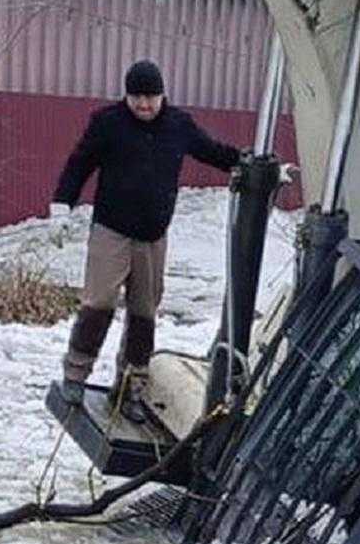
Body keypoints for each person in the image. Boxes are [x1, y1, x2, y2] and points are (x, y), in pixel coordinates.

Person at [52, 60, 241, 423]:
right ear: (126, 96)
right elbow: (80, 162)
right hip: (112, 230)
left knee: (144, 314)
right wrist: (62, 202)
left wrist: (251, 165)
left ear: (162, 95)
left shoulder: (178, 125)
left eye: (150, 98)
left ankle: (130, 389)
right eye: (136, 98)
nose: (143, 106)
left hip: (153, 236)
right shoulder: (108, 123)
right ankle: (75, 375)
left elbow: (213, 152)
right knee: (99, 303)